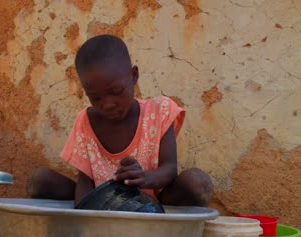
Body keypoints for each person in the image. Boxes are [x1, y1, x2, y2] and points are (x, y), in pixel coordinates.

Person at [28, 34, 214, 207]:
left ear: (133, 76)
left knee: (196, 182)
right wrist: (84, 224)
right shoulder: (86, 120)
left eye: (116, 92)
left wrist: (143, 178)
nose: (108, 104)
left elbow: (169, 169)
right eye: (96, 98)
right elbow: (84, 182)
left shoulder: (160, 111)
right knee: (39, 181)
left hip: (152, 203)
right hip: (103, 203)